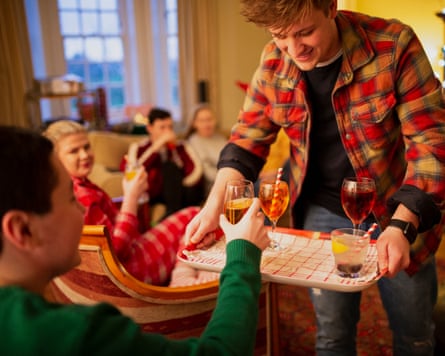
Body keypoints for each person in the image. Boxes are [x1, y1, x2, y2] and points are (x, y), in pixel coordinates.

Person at [185, 1, 445, 354]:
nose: (294, 49)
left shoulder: (394, 45)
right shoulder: (273, 62)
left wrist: (403, 225)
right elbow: (247, 142)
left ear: (331, 6)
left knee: (414, 335)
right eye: (281, 36)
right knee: (332, 334)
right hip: (321, 211)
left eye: (305, 32)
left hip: (398, 209)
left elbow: (431, 143)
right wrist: (213, 205)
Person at [0, 125, 270, 355]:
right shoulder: (83, 334)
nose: (82, 211)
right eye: (71, 200)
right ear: (22, 230)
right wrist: (243, 254)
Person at [43, 120, 215, 287]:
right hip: (128, 273)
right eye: (74, 151)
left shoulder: (73, 185)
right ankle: (191, 279)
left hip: (133, 248)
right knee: (194, 216)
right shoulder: (81, 195)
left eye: (86, 147)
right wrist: (131, 197)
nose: (84, 155)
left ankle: (189, 273)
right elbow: (116, 252)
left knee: (192, 216)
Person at [120, 107, 204, 218]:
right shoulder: (138, 148)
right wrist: (156, 147)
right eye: (162, 128)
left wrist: (174, 150)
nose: (167, 131)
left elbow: (195, 172)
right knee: (168, 167)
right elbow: (134, 172)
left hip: (182, 190)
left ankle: (173, 214)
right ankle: (174, 215)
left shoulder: (182, 146)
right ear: (150, 128)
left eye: (170, 127)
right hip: (153, 191)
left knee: (171, 168)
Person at [184, 104, 227, 196]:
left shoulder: (221, 138)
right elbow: (207, 172)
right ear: (194, 123)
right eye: (202, 121)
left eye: (209, 119)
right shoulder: (194, 141)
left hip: (230, 179)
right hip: (214, 186)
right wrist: (229, 179)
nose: (207, 124)